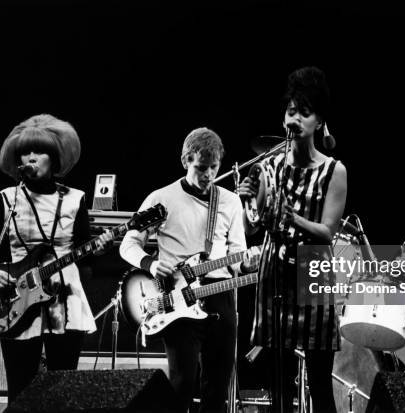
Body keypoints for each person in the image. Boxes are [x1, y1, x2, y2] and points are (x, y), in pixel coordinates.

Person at [0, 114, 111, 402]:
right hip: (17, 294)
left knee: (62, 386)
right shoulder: (9, 197)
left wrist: (99, 247)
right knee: (20, 388)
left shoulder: (74, 198)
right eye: (24, 153)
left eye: (38, 151)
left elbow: (83, 250)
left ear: (54, 158)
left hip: (64, 297)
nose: (30, 158)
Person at [119, 127, 258, 413]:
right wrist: (152, 263)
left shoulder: (230, 201)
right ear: (186, 161)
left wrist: (246, 263)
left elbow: (235, 256)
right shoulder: (162, 198)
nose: (207, 174)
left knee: (217, 388)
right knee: (181, 385)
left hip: (219, 294)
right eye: (200, 168)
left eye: (213, 168)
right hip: (178, 300)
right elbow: (128, 245)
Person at [238, 66, 347, 413]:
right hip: (274, 274)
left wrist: (293, 218)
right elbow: (253, 228)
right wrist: (246, 200)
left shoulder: (334, 170)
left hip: (312, 271)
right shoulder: (270, 166)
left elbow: (327, 234)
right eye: (290, 110)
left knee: (318, 382)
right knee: (278, 381)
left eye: (305, 112)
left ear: (319, 121)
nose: (294, 119)